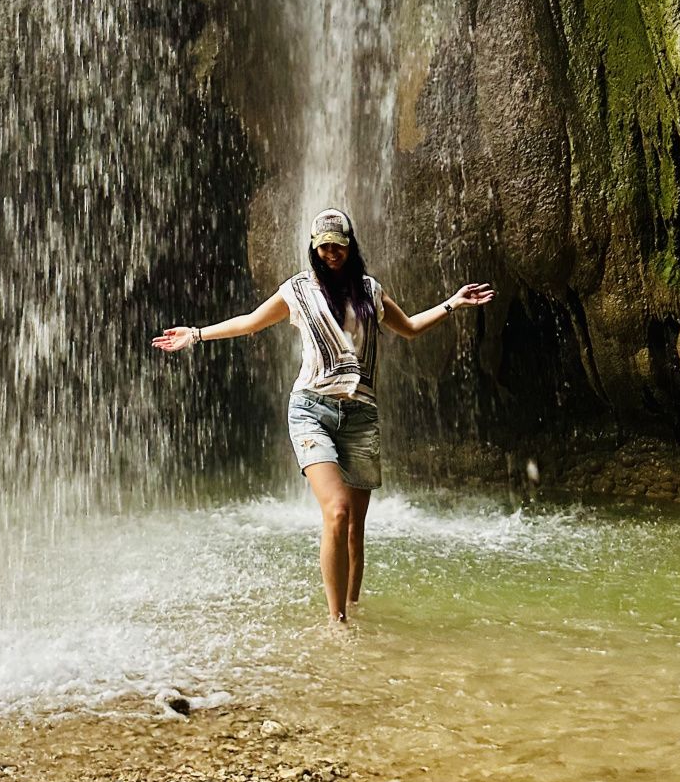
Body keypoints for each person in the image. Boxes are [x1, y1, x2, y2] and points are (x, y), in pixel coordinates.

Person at [153, 207, 494, 623]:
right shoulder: (298, 290)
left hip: (361, 417)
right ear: (315, 249)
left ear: (350, 247)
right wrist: (197, 334)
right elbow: (250, 323)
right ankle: (338, 623)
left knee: (355, 531)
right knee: (337, 511)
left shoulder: (370, 291)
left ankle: (353, 608)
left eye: (339, 245)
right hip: (311, 410)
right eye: (324, 246)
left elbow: (410, 328)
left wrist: (452, 303)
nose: (332, 253)